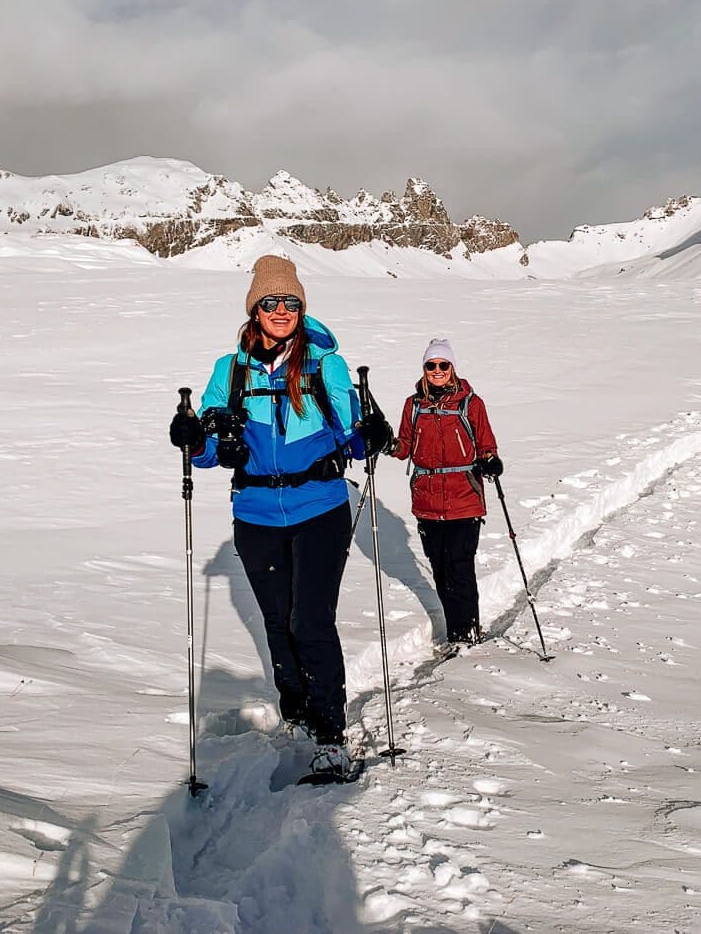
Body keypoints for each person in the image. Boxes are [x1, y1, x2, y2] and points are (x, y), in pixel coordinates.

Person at [168, 255, 394, 781]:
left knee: (309, 621)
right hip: (255, 513)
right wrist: (192, 438)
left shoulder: (324, 365)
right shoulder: (230, 370)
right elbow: (211, 449)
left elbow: (351, 436)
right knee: (277, 623)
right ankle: (297, 713)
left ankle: (330, 734)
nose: (281, 310)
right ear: (255, 308)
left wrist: (371, 435)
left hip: (320, 508)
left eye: (291, 301)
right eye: (270, 301)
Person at [388, 338, 503, 652]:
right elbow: (404, 446)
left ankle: (466, 635)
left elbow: (486, 443)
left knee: (459, 568)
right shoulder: (414, 405)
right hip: (426, 501)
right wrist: (386, 443)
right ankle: (456, 631)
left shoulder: (471, 403)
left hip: (464, 497)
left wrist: (490, 460)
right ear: (424, 369)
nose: (437, 370)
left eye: (443, 364)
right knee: (440, 568)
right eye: (431, 365)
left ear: (452, 367)